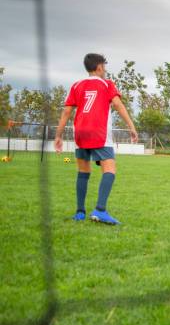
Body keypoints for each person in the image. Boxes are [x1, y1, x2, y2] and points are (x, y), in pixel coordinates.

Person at [55, 53, 138, 225]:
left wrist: (58, 135)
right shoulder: (106, 84)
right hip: (98, 132)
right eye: (104, 67)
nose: (105, 70)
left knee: (83, 172)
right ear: (99, 67)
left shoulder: (76, 85)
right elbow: (117, 104)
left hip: (80, 132)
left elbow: (66, 112)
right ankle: (100, 210)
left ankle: (80, 212)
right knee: (110, 170)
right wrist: (131, 126)